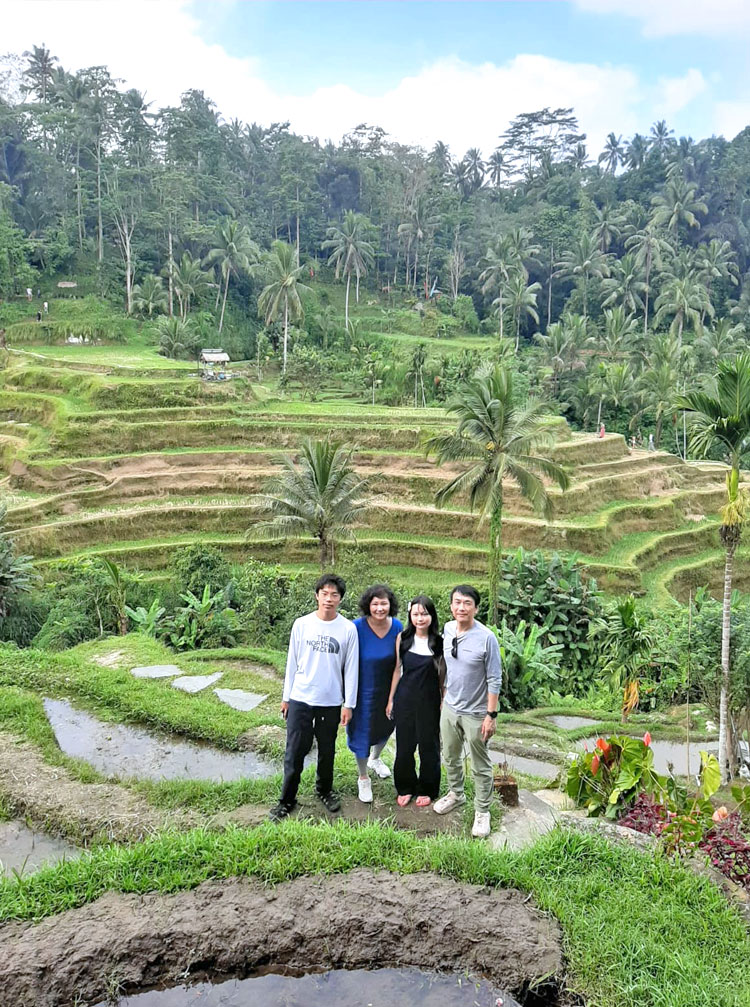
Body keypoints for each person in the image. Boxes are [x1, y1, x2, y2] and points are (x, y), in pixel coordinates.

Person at [269, 573, 359, 822]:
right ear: (316, 595)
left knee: (327, 750)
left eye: (334, 595)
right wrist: (286, 697)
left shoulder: (348, 629)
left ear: (340, 599)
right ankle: (286, 799)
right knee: (294, 751)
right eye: (324, 593)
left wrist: (348, 704)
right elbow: (292, 663)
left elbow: (351, 669)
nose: (329, 599)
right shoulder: (302, 624)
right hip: (301, 698)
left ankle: (324, 789)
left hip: (330, 701)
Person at [434, 584, 501, 839]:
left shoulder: (486, 638)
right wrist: (444, 698)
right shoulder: (448, 629)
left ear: (476, 608)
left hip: (476, 713)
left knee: (480, 764)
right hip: (450, 708)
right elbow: (448, 667)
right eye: (457, 602)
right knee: (450, 755)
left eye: (467, 603)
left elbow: (494, 679)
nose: (461, 607)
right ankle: (456, 793)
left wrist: (490, 715)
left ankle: (482, 811)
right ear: (451, 606)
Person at [387, 595, 444, 808]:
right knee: (404, 745)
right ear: (410, 616)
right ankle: (405, 786)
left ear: (432, 616)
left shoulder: (439, 643)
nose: (420, 618)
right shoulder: (402, 639)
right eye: (416, 614)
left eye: (425, 614)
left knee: (429, 746)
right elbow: (397, 670)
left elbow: (443, 676)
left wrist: (443, 699)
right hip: (405, 699)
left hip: (429, 700)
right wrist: (391, 699)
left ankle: (427, 788)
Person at [347, 584, 402, 803]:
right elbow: (347, 662)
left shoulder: (397, 627)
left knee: (386, 727)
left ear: (391, 605)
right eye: (375, 603)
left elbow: (399, 664)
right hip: (362, 692)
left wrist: (392, 697)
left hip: (387, 690)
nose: (380, 608)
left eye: (384, 603)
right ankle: (363, 778)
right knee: (361, 734)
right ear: (368, 605)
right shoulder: (356, 628)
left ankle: (375, 759)